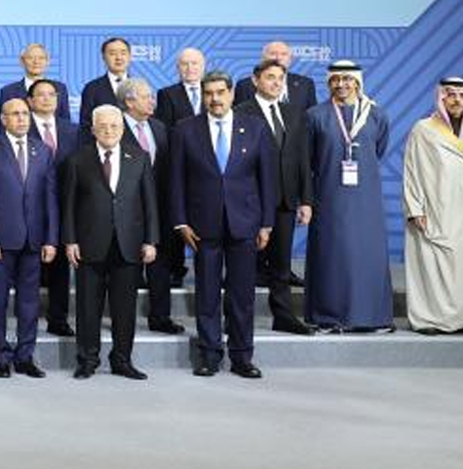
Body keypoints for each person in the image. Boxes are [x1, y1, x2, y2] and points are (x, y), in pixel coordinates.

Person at [168, 72, 276, 378]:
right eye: (209, 93)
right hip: (202, 226)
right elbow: (175, 180)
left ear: (231, 94)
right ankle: (209, 355)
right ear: (203, 96)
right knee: (207, 294)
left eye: (220, 92)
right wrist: (180, 221)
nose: (215, 99)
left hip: (246, 224)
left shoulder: (255, 128)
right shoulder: (186, 130)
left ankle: (242, 356)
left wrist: (267, 222)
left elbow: (267, 179)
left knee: (242, 295)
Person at [62, 106, 159, 380]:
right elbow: (68, 205)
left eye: (114, 126)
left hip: (129, 245)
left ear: (122, 128)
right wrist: (69, 240)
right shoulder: (77, 159)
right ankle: (87, 360)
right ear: (93, 129)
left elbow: (150, 203)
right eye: (102, 126)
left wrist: (151, 240)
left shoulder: (139, 157)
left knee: (124, 308)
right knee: (87, 307)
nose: (109, 131)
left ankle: (122, 360)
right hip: (89, 245)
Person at [403, 77, 463, 335]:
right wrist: (415, 208)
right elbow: (411, 171)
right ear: (441, 98)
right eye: (451, 94)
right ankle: (430, 319)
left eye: (462, 95)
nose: (457, 100)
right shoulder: (423, 129)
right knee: (435, 263)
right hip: (436, 207)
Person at [305, 60, 395, 333]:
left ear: (357, 82)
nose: (341, 85)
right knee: (332, 255)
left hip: (365, 199)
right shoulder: (315, 115)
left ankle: (372, 317)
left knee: (367, 254)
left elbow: (377, 150)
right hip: (329, 197)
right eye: (335, 80)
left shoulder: (377, 115)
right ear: (328, 83)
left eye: (347, 79)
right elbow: (308, 160)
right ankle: (328, 316)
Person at [0, 98, 58, 378]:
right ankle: (0, 355)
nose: (21, 119)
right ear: (3, 118)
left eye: (25, 114)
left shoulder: (43, 150)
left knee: (29, 302)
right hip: (0, 241)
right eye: (15, 114)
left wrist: (50, 239)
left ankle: (24, 355)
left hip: (33, 240)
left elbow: (50, 199)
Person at [233, 60, 315, 335]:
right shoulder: (240, 112)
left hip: (285, 201)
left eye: (281, 78)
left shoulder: (293, 113)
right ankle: (234, 317)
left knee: (281, 266)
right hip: (249, 201)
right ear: (256, 80)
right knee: (242, 265)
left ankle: (283, 315)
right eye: (270, 77)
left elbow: (303, 159)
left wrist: (306, 199)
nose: (276, 83)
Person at [118, 78, 184, 334]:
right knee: (127, 269)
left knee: (161, 267)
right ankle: (124, 319)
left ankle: (160, 317)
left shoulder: (159, 127)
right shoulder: (115, 127)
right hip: (126, 211)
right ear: (129, 101)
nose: (152, 101)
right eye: (146, 97)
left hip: (160, 210)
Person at [26, 77, 80, 336]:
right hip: (30, 207)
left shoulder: (73, 130)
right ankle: (29, 319)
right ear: (30, 101)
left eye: (52, 94)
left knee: (60, 268)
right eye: (41, 94)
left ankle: (58, 319)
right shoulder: (20, 128)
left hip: (65, 206)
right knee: (31, 266)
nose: (47, 98)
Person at [0, 43, 69, 135]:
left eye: (41, 58)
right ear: (22, 61)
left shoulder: (60, 88)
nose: (36, 62)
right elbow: (3, 128)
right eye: (31, 58)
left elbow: (65, 123)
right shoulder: (8, 92)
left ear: (47, 62)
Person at [79, 36, 134, 117]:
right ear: (104, 57)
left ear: (129, 57)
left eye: (123, 53)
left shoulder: (139, 87)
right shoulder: (92, 88)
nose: (118, 58)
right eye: (112, 54)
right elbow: (85, 124)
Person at [154, 47, 206, 129]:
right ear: (178, 68)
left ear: (203, 66)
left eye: (194, 63)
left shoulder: (211, 90)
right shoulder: (166, 94)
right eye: (184, 64)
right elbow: (164, 128)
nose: (190, 68)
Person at [262, 40, 319, 114]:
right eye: (273, 54)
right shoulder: (246, 85)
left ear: (290, 60)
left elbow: (313, 116)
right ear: (263, 58)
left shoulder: (306, 84)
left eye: (284, 54)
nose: (278, 58)